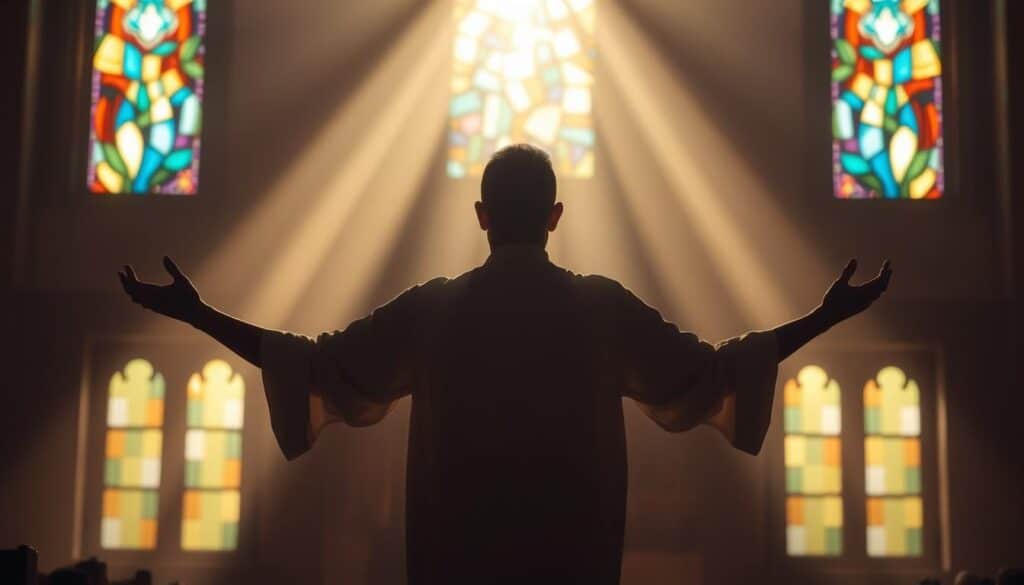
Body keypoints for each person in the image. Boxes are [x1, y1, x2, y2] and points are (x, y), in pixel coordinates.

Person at [119, 144, 892, 584]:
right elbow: (719, 375)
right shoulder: (600, 309)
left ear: (482, 217)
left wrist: (197, 312)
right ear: (556, 217)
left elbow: (310, 367)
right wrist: (826, 316)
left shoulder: (434, 310)